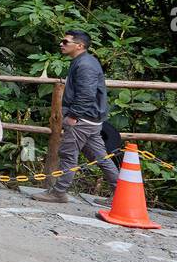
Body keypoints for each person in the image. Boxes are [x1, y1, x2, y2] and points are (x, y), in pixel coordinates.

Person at [31, 29, 121, 204]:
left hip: (83, 119)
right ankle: (120, 196)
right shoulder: (82, 61)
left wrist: (74, 116)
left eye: (65, 42)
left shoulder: (85, 65)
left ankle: (58, 192)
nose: (61, 44)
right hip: (91, 119)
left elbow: (86, 94)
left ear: (79, 46)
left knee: (68, 154)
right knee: (101, 157)